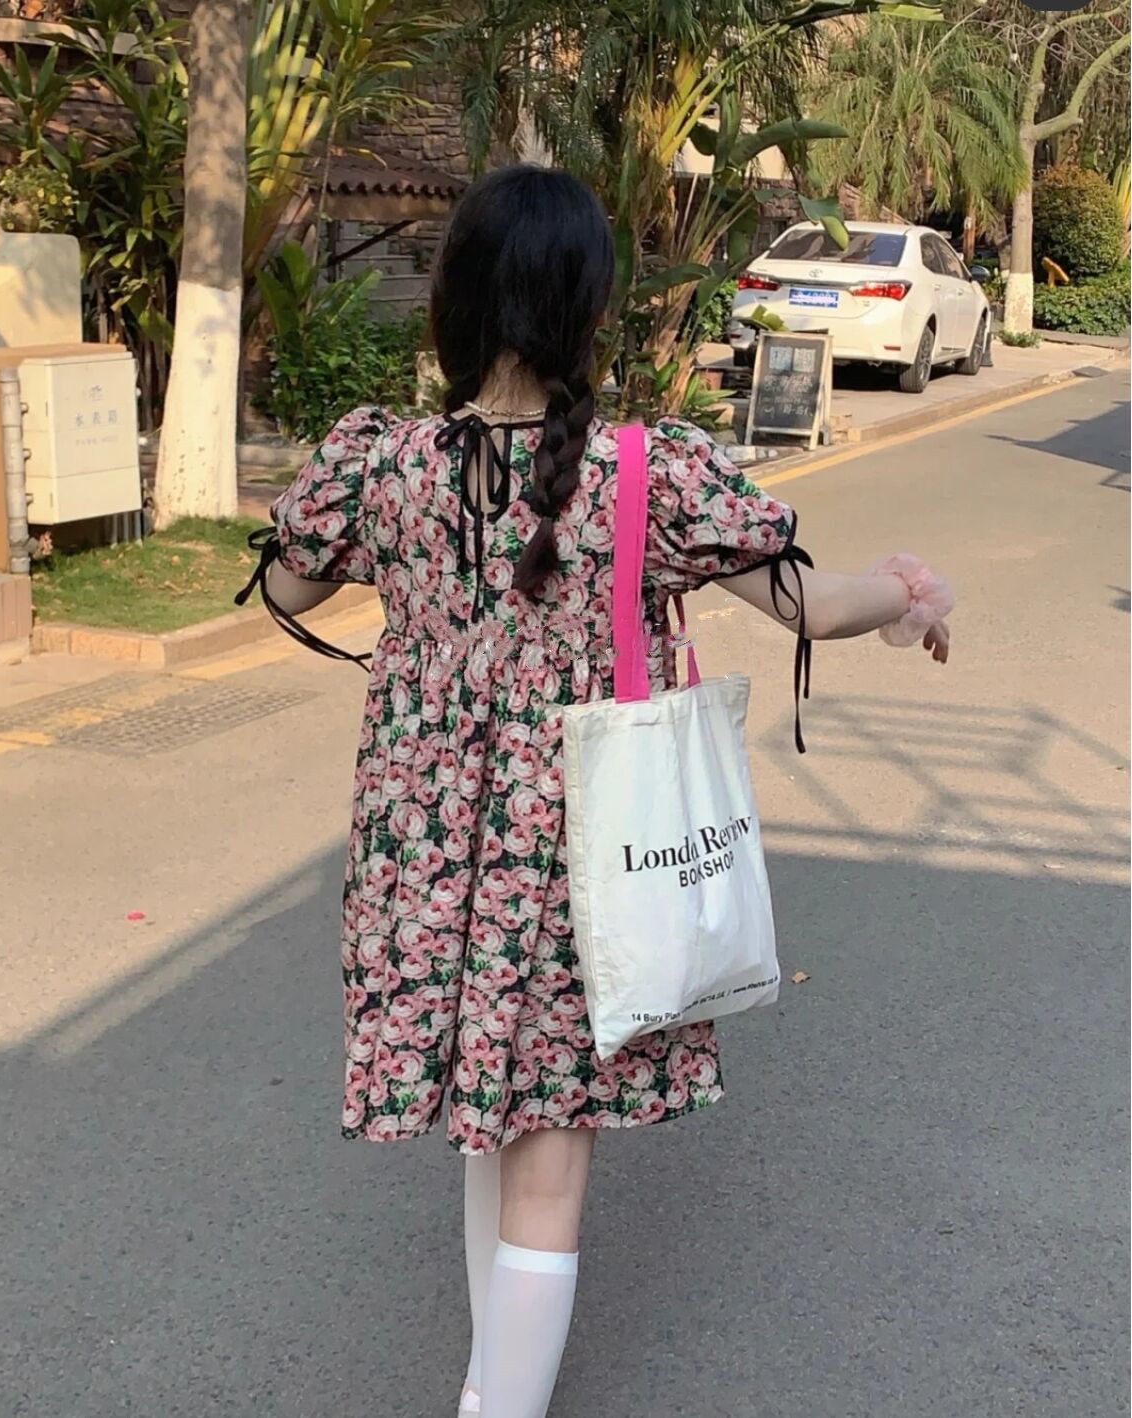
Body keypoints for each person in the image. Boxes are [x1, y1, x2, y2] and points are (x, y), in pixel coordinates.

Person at [247, 166, 952, 1418]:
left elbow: (289, 588)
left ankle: (490, 1383)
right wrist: (904, 591)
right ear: (586, 307)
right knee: (547, 1173)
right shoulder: (644, 473)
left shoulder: (384, 462)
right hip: (581, 863)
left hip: (425, 864)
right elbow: (809, 603)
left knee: (491, 1125)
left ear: (455, 302)